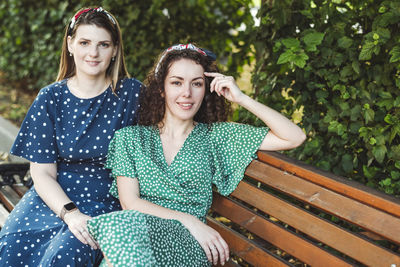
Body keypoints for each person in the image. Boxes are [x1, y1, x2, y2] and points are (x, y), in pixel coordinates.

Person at [87, 43, 306, 266]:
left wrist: (242, 99)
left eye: (197, 84)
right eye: (176, 82)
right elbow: (130, 203)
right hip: (139, 237)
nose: (187, 93)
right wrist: (189, 221)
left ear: (207, 89)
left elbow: (294, 137)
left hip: (189, 245)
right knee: (121, 232)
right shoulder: (131, 139)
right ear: (161, 89)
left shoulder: (216, 137)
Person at [0, 7, 142, 266]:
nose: (93, 53)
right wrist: (70, 213)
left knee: (65, 254)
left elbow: (180, 115)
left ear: (114, 50)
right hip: (54, 197)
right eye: (85, 42)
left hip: (104, 201)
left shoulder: (131, 95)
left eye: (103, 44)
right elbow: (42, 173)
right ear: (70, 45)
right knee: (11, 245)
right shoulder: (51, 97)